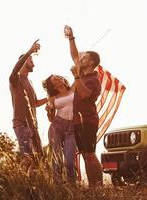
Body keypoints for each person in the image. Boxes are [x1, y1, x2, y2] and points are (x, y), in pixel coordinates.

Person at [63, 25, 103, 187]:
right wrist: (71, 37)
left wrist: (76, 77)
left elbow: (86, 95)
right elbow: (74, 54)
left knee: (91, 154)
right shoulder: (81, 72)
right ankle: (92, 186)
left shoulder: (94, 79)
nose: (81, 59)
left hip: (88, 121)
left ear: (92, 62)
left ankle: (99, 186)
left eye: (85, 58)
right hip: (77, 121)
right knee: (85, 155)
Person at [9, 40, 49, 171]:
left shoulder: (29, 82)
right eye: (31, 61)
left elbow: (35, 103)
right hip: (21, 123)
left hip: (33, 125)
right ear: (24, 61)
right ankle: (16, 180)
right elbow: (15, 68)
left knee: (38, 159)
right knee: (28, 157)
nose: (34, 64)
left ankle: (31, 186)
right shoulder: (15, 79)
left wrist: (51, 98)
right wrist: (30, 51)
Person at [43, 75, 77, 184]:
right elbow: (51, 119)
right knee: (56, 161)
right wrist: (49, 111)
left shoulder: (73, 88)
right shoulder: (53, 98)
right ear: (53, 86)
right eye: (55, 80)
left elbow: (79, 76)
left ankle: (72, 186)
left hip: (72, 128)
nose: (58, 78)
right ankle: (58, 188)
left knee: (70, 162)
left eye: (58, 77)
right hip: (56, 127)